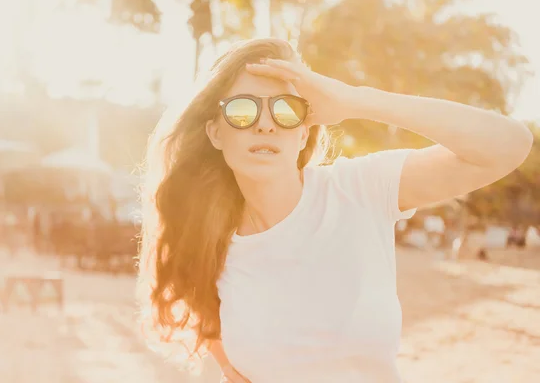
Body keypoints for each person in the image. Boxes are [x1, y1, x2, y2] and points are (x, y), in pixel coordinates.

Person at [137, 38, 532, 382]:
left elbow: (509, 145)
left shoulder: (360, 189)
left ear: (305, 129)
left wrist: (355, 99)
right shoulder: (209, 236)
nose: (266, 125)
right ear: (216, 132)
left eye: (286, 110)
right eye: (243, 109)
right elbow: (206, 316)